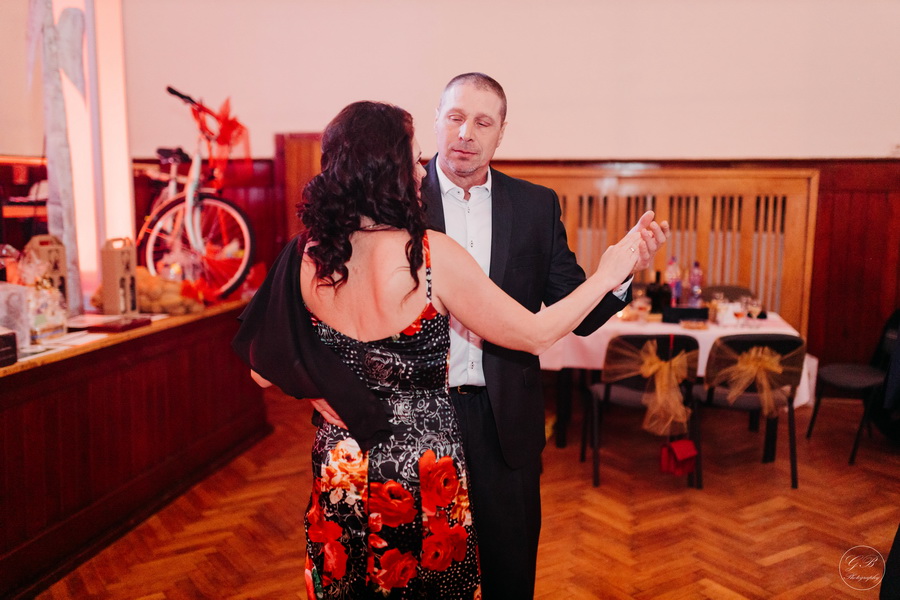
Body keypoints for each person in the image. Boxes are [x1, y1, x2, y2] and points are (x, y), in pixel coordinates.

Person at [233, 100, 663, 598]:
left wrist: (328, 391)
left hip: (342, 461)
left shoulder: (306, 254)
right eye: (412, 159)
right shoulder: (429, 255)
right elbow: (534, 333)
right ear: (387, 171)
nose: (422, 169)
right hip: (422, 468)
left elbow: (262, 368)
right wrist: (607, 274)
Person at [419, 73, 669, 598]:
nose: (466, 132)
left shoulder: (534, 205)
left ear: (501, 132)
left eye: (482, 122)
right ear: (437, 119)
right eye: (455, 117)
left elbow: (577, 311)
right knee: (423, 575)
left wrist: (620, 273)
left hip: (505, 419)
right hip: (419, 418)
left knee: (510, 573)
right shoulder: (398, 196)